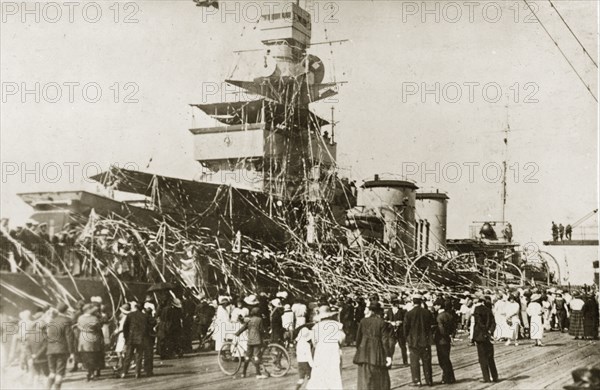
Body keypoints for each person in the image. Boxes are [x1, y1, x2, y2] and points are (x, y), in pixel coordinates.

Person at [354, 301, 392, 390]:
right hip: (377, 353)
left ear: (370, 310)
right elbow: (385, 341)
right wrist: (388, 355)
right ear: (379, 311)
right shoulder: (381, 322)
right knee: (380, 379)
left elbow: (358, 339)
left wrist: (360, 350)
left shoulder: (363, 321)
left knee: (364, 381)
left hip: (363, 353)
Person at [306, 306, 345, 390]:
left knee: (320, 372)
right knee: (334, 372)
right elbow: (342, 338)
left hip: (321, 349)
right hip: (334, 349)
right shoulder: (337, 325)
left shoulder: (317, 327)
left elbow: (314, 341)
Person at [404, 294, 433, 387]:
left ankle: (417, 381)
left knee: (414, 362)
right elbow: (431, 325)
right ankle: (429, 380)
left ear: (413, 302)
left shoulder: (409, 313)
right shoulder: (427, 312)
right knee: (427, 361)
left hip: (413, 341)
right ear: (421, 302)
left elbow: (405, 328)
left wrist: (407, 338)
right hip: (425, 340)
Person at [44, 303, 74, 390]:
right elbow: (69, 338)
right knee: (60, 373)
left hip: (50, 350)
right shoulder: (67, 321)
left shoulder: (51, 321)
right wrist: (72, 352)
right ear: (66, 310)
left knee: (52, 372)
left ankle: (47, 388)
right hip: (61, 350)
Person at [472, 292, 498, 383]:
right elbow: (493, 323)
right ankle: (495, 377)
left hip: (481, 337)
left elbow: (479, 323)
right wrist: (490, 331)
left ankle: (486, 378)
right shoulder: (488, 310)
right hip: (489, 336)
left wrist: (485, 332)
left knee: (482, 358)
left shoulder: (477, 309)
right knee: (490, 357)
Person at [235, 307, 268, 379]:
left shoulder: (249, 320)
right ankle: (258, 374)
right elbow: (261, 330)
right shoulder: (259, 320)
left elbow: (244, 328)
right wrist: (265, 335)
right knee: (256, 356)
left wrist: (237, 333)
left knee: (247, 356)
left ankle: (243, 373)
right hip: (257, 340)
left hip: (250, 340)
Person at [77, 304, 103, 381]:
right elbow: (99, 327)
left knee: (85, 356)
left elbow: (79, 326)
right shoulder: (94, 318)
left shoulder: (80, 318)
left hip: (83, 338)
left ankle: (88, 371)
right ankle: (92, 372)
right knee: (93, 356)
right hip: (93, 337)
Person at [434, 300, 456, 384]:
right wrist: (451, 335)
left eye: (435, 305)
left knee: (442, 359)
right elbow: (454, 327)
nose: (435, 307)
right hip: (447, 340)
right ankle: (451, 377)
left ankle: (446, 377)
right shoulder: (449, 315)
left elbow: (441, 329)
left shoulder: (439, 316)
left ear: (439, 306)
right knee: (447, 358)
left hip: (441, 340)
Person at [384, 297, 408, 366]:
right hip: (391, 331)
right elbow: (385, 320)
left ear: (398, 304)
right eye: (393, 304)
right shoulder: (389, 311)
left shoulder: (402, 311)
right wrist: (391, 322)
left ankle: (405, 361)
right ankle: (390, 361)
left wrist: (400, 322)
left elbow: (405, 320)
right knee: (391, 346)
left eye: (396, 304)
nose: (394, 306)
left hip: (400, 331)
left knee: (403, 346)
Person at [295, 325, 313, 390]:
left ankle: (297, 388)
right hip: (306, 363)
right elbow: (309, 356)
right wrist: (312, 364)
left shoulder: (298, 343)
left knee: (301, 378)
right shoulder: (307, 345)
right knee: (310, 378)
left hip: (300, 362)